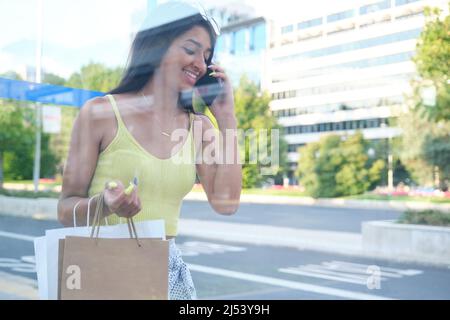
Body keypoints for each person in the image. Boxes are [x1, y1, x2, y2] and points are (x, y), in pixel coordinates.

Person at [57, 2, 242, 300]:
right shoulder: (100, 113)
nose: (200, 63)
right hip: (102, 272)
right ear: (158, 45)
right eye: (191, 49)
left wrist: (227, 120)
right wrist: (104, 205)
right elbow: (65, 209)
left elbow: (227, 204)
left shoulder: (200, 127)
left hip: (166, 277)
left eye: (207, 56)